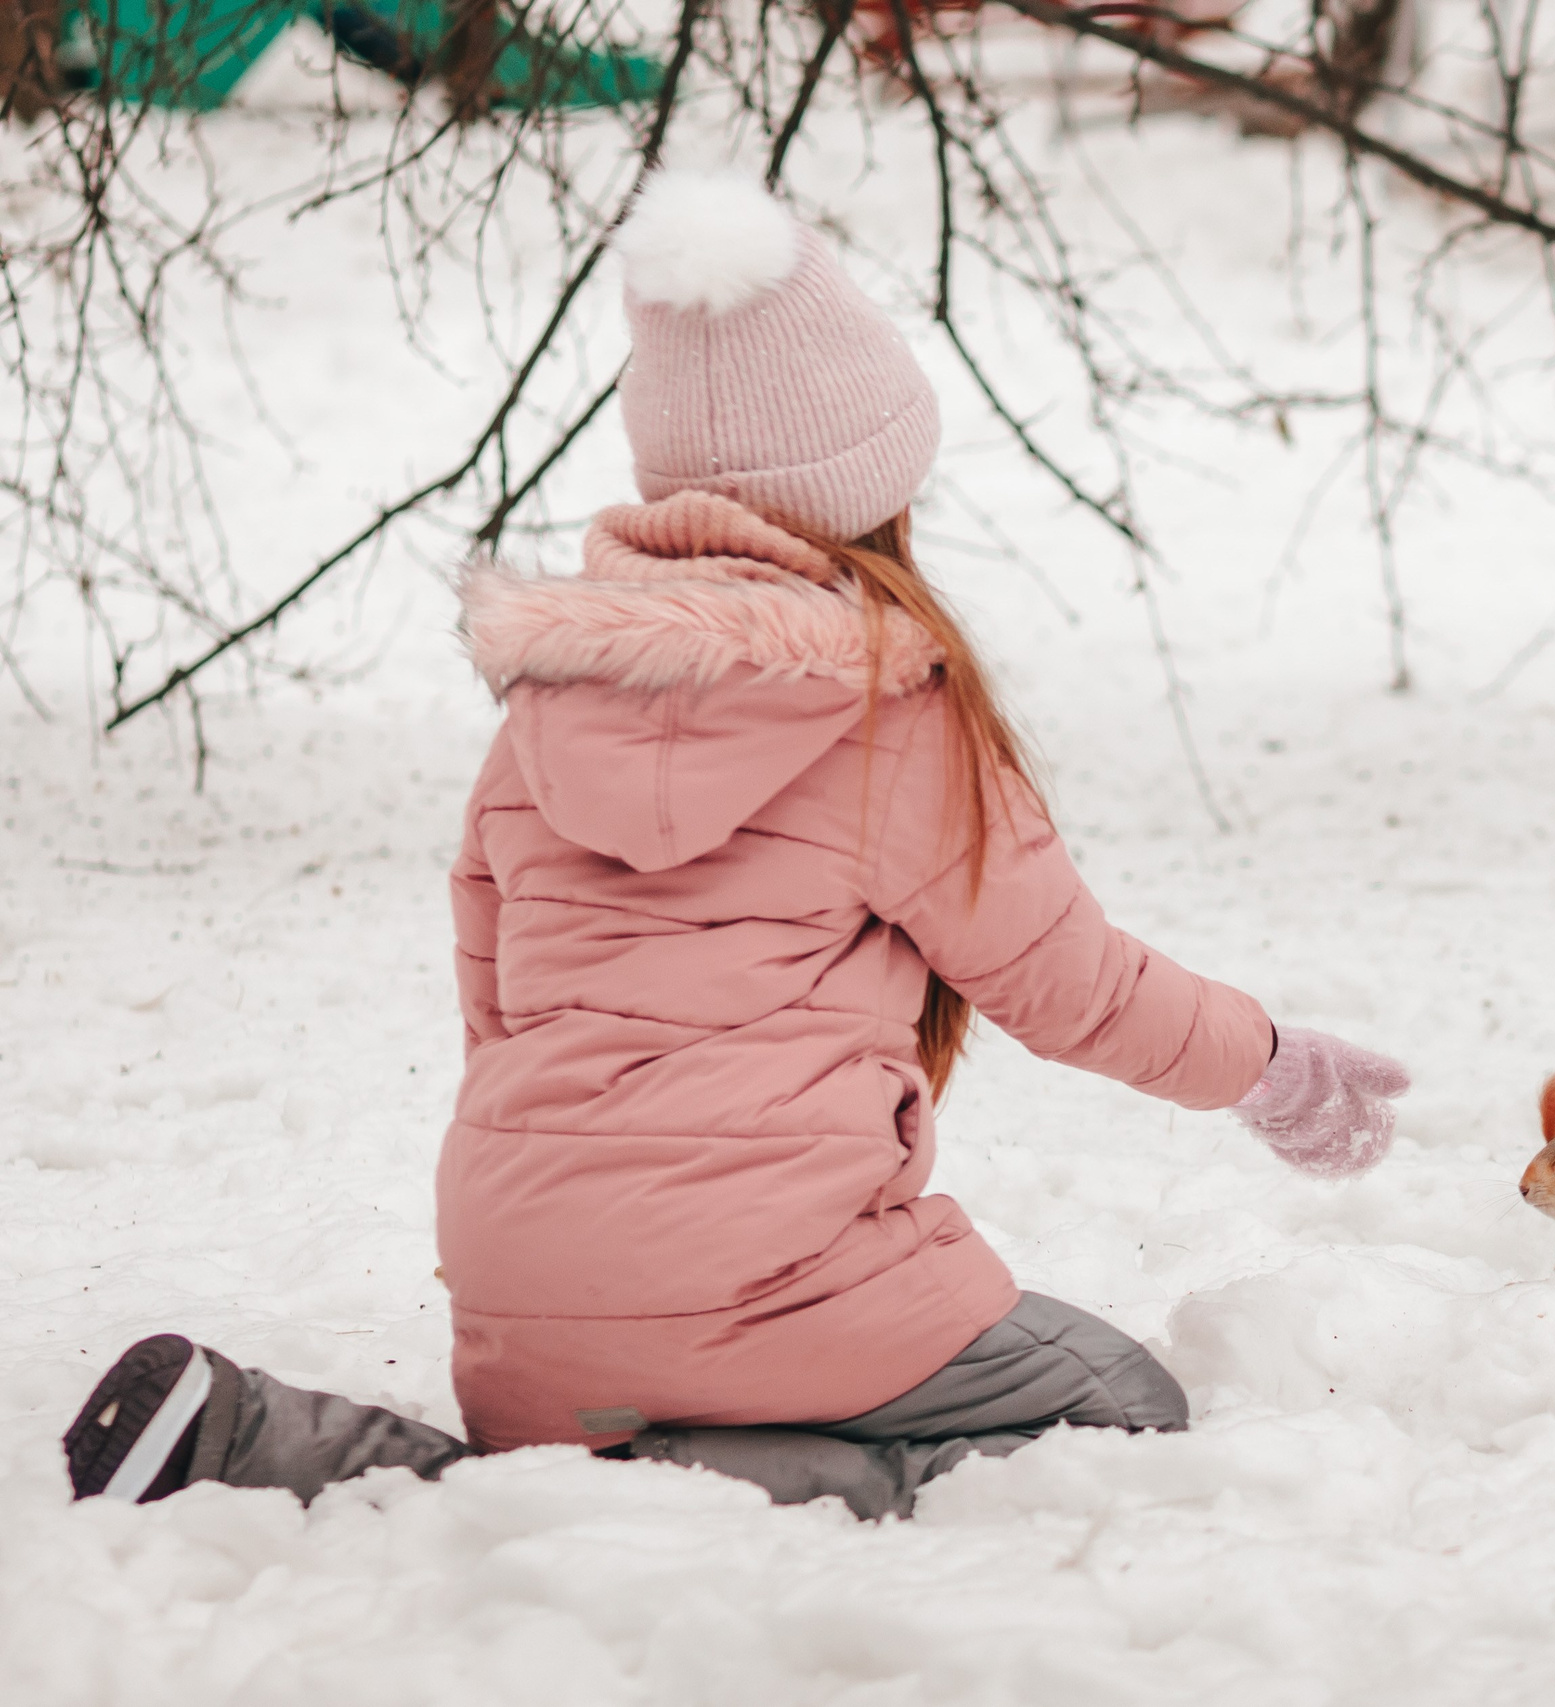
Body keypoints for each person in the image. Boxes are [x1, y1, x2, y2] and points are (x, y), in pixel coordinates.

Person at [59, 169, 1410, 1521]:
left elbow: (497, 1006)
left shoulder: (546, 704)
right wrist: (1270, 1065)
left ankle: (325, 1453)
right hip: (775, 1291)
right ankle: (686, 1489)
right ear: (874, 485)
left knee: (651, 1402)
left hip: (523, 1306)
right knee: (1119, 1412)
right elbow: (1073, 984)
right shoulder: (890, 706)